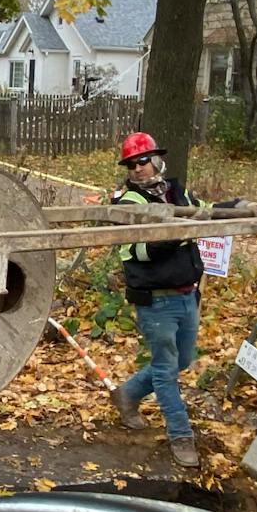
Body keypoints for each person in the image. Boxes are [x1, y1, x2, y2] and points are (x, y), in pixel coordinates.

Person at [108, 131, 205, 469]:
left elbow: (204, 213)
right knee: (166, 369)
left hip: (187, 295)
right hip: (155, 301)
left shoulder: (177, 192)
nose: (137, 168)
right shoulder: (128, 203)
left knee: (181, 361)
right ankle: (181, 435)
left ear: (157, 160)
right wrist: (179, 236)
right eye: (131, 164)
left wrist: (238, 208)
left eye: (142, 161)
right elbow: (136, 250)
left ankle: (128, 394)